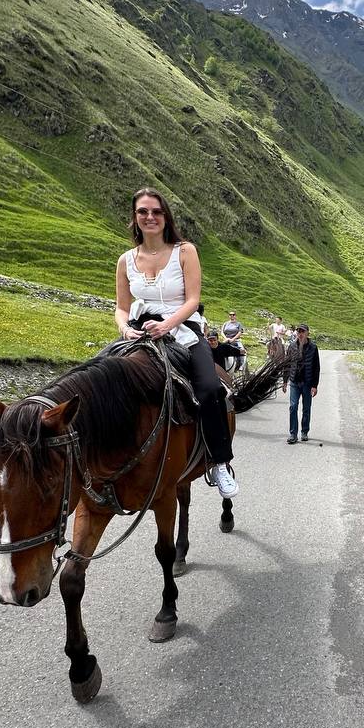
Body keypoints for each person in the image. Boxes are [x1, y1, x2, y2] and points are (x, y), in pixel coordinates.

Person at [115, 187, 238, 497]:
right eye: (143, 211)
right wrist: (125, 328)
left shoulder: (185, 251)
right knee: (99, 378)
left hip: (181, 328)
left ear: (165, 216)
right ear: (135, 217)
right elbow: (121, 307)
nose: (150, 217)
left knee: (210, 389)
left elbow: (193, 300)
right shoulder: (126, 260)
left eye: (156, 211)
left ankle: (219, 462)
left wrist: (167, 325)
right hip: (139, 330)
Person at [282, 323, 320, 443]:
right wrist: (284, 381)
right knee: (293, 407)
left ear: (307, 333)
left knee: (306, 408)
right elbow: (287, 365)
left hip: (307, 382)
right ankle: (293, 434)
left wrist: (315, 385)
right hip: (294, 381)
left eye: (302, 332)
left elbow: (316, 368)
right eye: (298, 332)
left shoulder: (313, 348)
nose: (300, 334)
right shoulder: (292, 346)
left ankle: (304, 431)